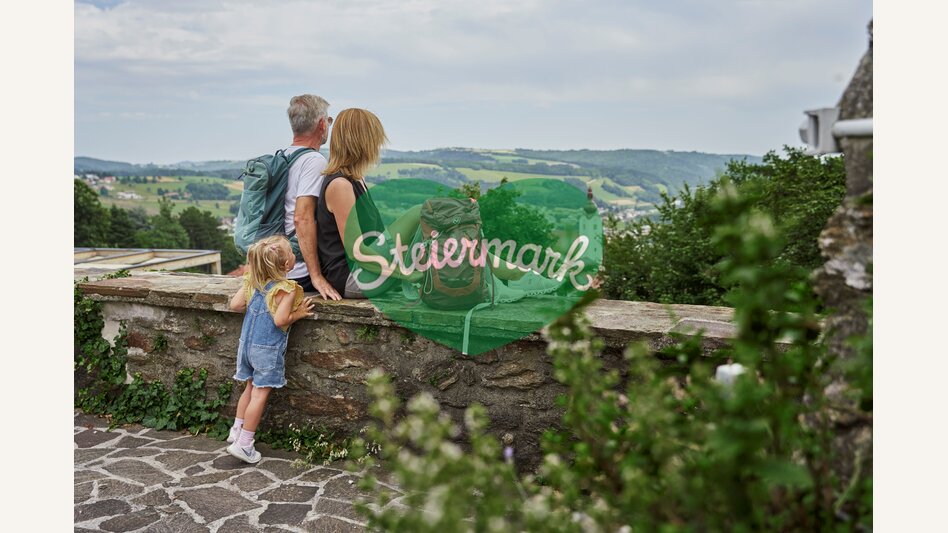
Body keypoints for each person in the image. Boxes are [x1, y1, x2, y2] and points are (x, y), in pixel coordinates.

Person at [226, 235, 316, 464]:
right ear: (287, 265)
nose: (295, 254)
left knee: (248, 387)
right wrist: (300, 314)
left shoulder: (253, 283)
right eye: (292, 253)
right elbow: (280, 320)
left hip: (246, 346)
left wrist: (248, 283)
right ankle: (245, 444)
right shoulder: (286, 289)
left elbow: (235, 305)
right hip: (266, 350)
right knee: (259, 393)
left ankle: (236, 430)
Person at [283, 94, 342, 300]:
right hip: (300, 273)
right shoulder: (313, 161)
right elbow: (302, 217)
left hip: (278, 267)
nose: (329, 124)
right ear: (321, 125)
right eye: (328, 120)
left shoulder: (282, 157)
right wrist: (316, 277)